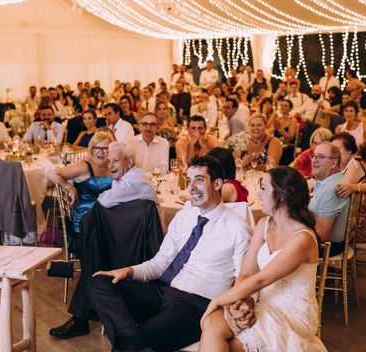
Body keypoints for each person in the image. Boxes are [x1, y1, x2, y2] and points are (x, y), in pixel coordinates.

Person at [88, 155, 251, 351]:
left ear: (217, 184)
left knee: (143, 339)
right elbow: (160, 263)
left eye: (199, 180)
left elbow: (246, 278)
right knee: (99, 282)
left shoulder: (238, 229)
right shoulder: (184, 216)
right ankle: (131, 339)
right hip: (161, 291)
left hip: (195, 304)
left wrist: (244, 303)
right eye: (188, 180)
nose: (191, 187)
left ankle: (132, 340)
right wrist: (128, 271)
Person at [199, 166, 325, 352]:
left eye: (264, 188)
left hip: (292, 314)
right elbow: (247, 272)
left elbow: (261, 279)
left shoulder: (302, 238)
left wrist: (217, 301)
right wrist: (244, 301)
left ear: (281, 196)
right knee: (211, 323)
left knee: (229, 346)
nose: (257, 193)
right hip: (262, 304)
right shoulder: (264, 225)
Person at [49, 142, 162, 342]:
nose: (110, 165)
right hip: (127, 243)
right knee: (93, 243)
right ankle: (83, 315)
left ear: (129, 162)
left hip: (135, 249)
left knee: (92, 244)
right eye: (109, 161)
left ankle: (82, 318)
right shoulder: (127, 177)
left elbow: (105, 201)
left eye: (115, 161)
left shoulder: (133, 181)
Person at [47, 131, 114, 256]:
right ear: (91, 150)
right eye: (97, 148)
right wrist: (69, 188)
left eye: (106, 148)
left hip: (107, 215)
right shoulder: (84, 167)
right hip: (86, 218)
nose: (101, 152)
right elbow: (51, 173)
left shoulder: (112, 167)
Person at [310, 142, 350, 257]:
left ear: (334, 163)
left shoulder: (332, 189)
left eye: (320, 157)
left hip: (326, 247)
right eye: (314, 156)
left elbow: (321, 235)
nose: (314, 160)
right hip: (321, 241)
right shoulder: (328, 181)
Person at [273, 99, 298, 165]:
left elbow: (290, 138)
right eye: (282, 105)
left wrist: (280, 128)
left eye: (285, 106)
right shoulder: (278, 119)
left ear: (290, 109)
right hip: (277, 145)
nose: (283, 107)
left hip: (287, 148)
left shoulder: (293, 120)